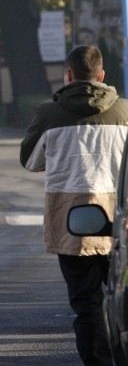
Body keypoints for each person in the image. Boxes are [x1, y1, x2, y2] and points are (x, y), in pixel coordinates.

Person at [20, 45, 128, 365]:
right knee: (122, 298)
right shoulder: (124, 113)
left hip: (70, 220)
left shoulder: (49, 114)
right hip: (119, 220)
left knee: (86, 302)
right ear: (102, 76)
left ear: (68, 76)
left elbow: (31, 161)